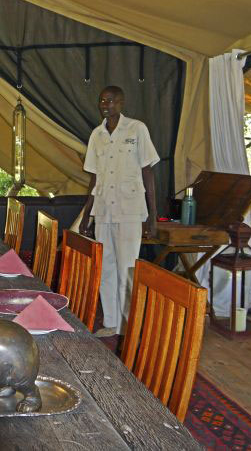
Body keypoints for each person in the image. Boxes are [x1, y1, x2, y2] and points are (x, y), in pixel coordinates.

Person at [79, 86, 159, 338]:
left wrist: (152, 217)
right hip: (104, 209)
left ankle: (128, 327)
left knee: (127, 269)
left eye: (111, 100)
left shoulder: (137, 129)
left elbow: (148, 173)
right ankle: (111, 323)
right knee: (106, 268)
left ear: (122, 103)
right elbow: (94, 178)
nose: (106, 104)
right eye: (102, 100)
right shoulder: (97, 135)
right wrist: (86, 215)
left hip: (130, 210)